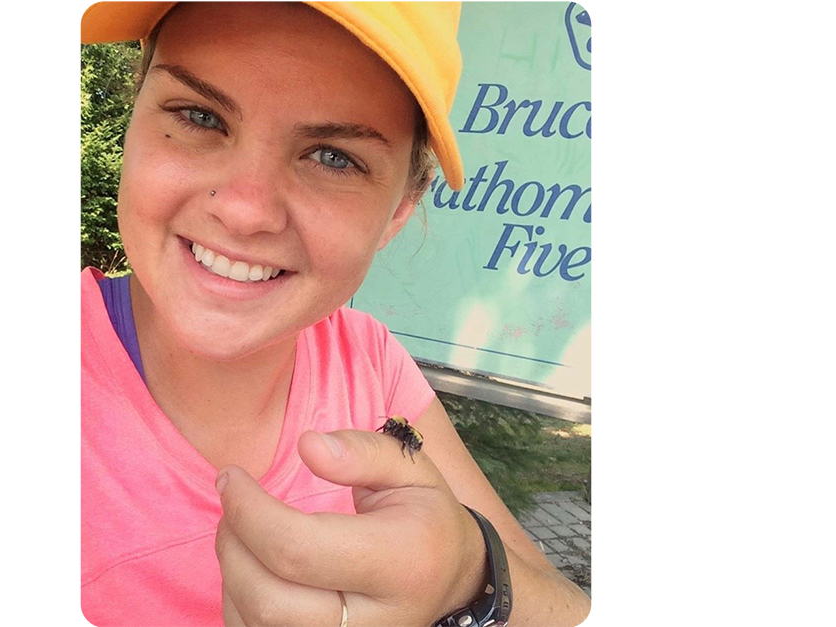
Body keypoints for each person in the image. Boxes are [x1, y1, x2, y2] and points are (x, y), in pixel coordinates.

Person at [80, 2, 591, 626]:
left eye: (332, 157)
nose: (244, 210)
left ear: (400, 210)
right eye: (198, 116)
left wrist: (470, 576)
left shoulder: (368, 359)